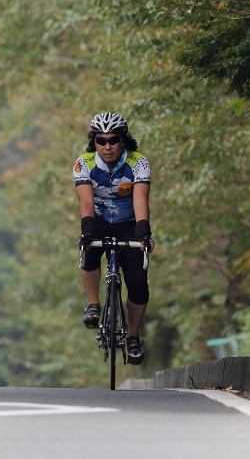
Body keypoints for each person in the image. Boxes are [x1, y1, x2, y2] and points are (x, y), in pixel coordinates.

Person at [73, 111, 153, 365]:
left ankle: (132, 337)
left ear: (123, 139)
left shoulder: (138, 162)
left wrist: (143, 231)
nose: (107, 147)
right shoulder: (83, 163)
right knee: (88, 249)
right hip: (98, 220)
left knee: (138, 283)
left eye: (113, 140)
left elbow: (140, 199)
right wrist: (86, 230)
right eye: (101, 140)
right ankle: (94, 304)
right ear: (93, 141)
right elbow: (86, 200)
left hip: (129, 224)